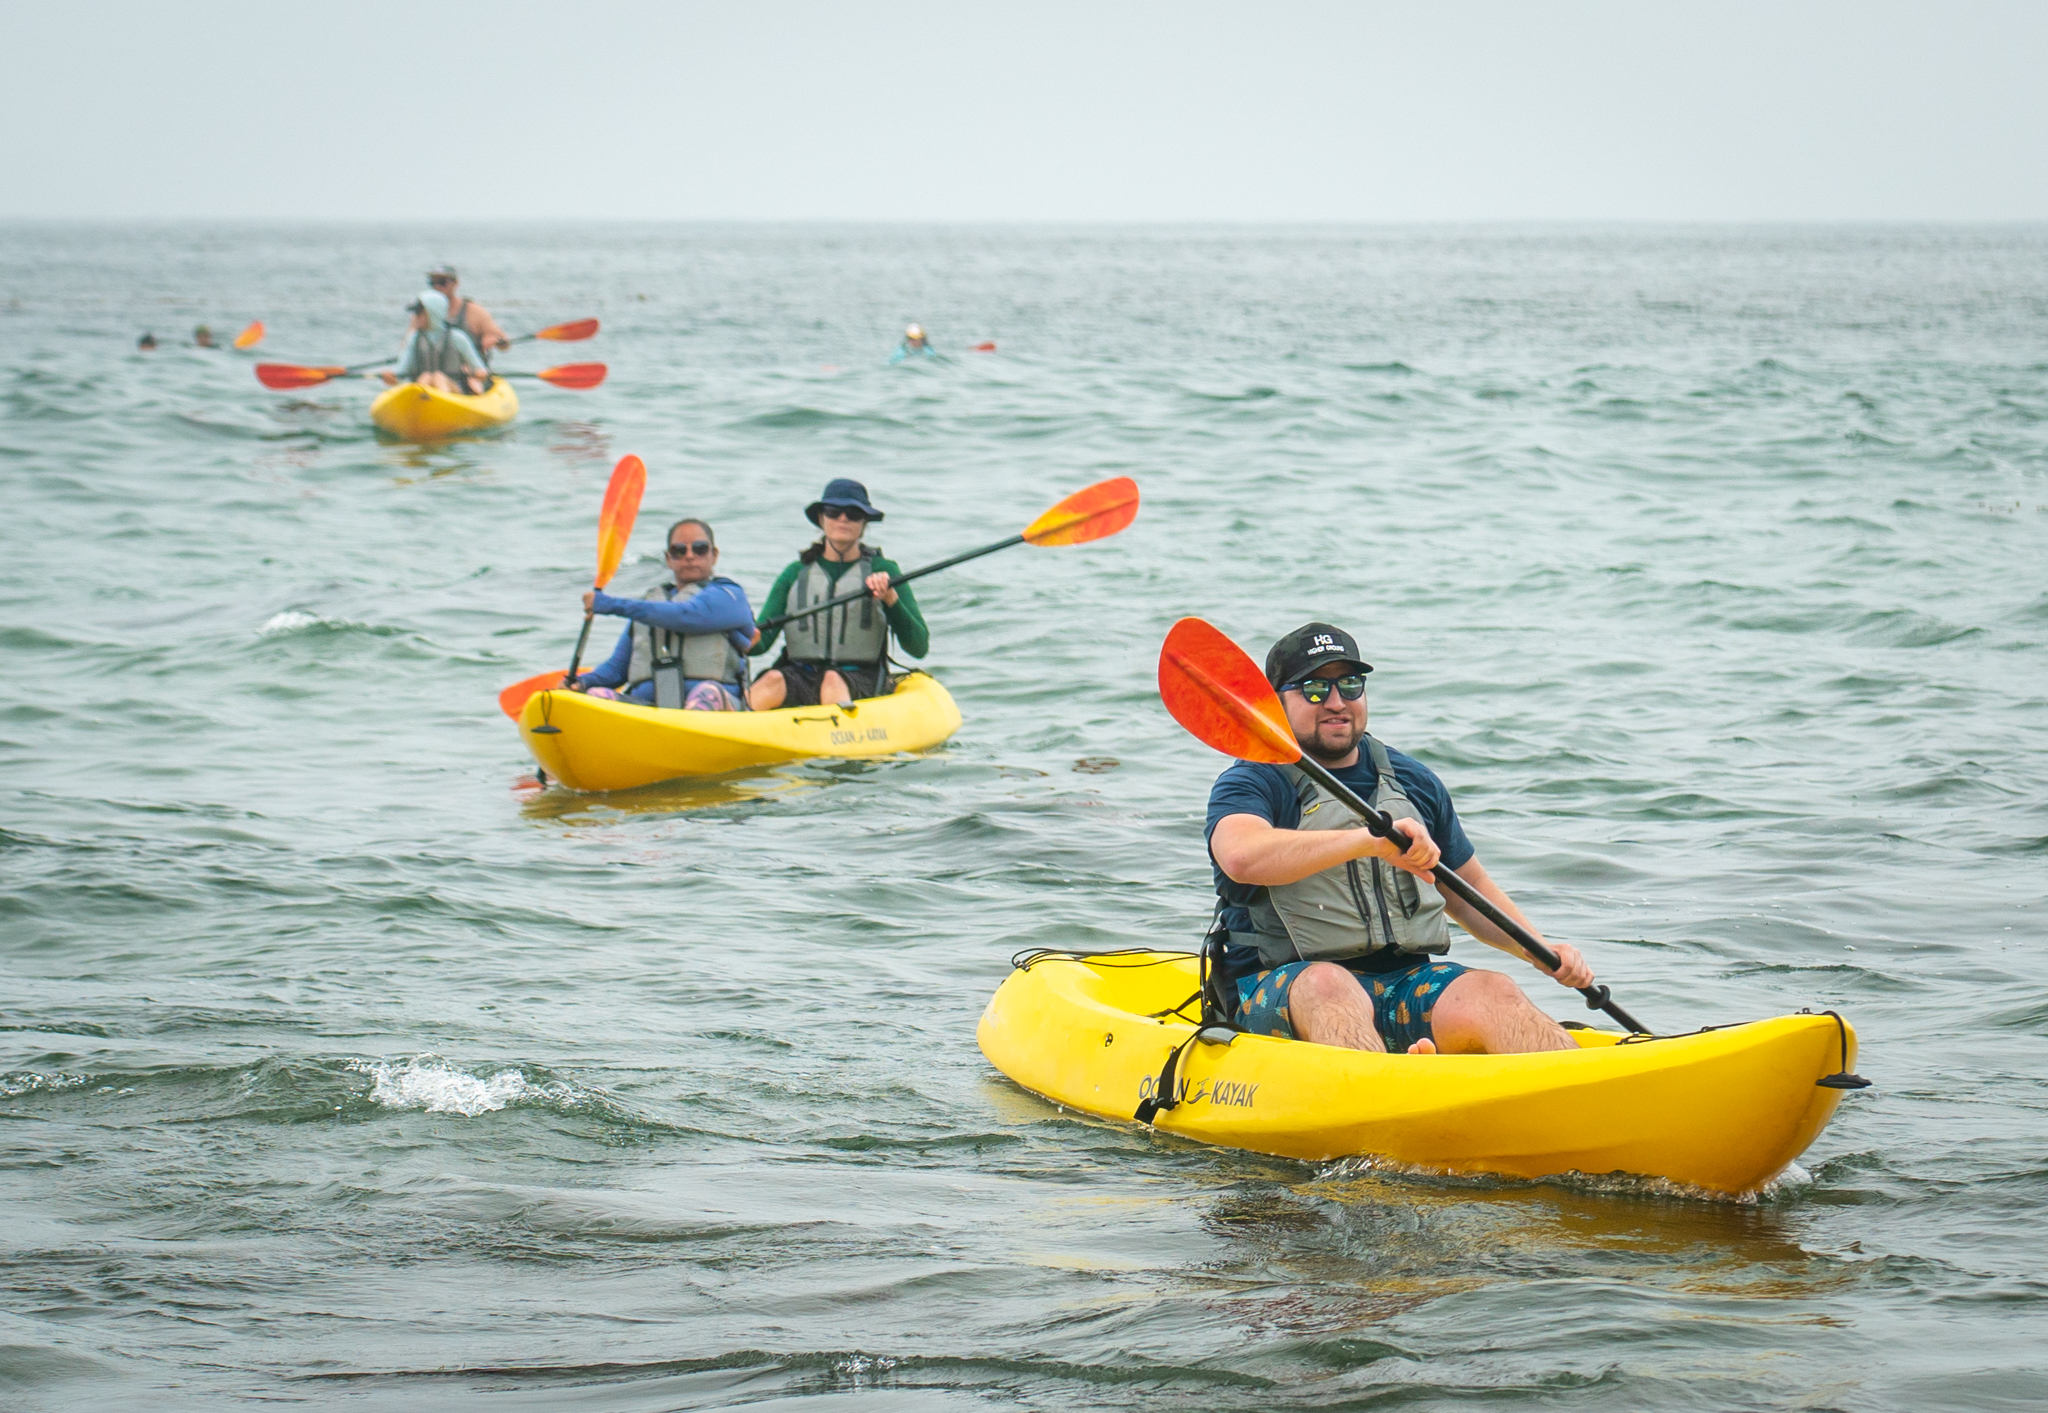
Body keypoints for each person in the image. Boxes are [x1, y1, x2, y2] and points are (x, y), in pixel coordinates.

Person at [1205, 622, 1597, 1057]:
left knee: (1494, 990)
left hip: (1402, 986)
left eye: (1350, 685)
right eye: (1315, 688)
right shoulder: (1252, 780)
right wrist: (1368, 841)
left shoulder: (1411, 780)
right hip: (1280, 989)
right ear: (1277, 701)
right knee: (1328, 983)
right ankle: (1392, 1086)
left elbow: (1469, 893)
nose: (1336, 702)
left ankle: (1584, 1091)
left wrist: (1539, 951)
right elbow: (1241, 856)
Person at [747, 479, 929, 709]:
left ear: (864, 523)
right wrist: (746, 640)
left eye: (853, 513)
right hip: (801, 675)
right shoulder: (794, 573)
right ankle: (726, 729)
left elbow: (919, 647)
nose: (843, 519)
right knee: (772, 678)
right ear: (822, 519)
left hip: (861, 678)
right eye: (834, 512)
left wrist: (891, 600)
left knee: (832, 679)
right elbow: (760, 645)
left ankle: (837, 736)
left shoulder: (885, 571)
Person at [571, 518, 756, 710]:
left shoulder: (730, 596)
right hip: (651, 710)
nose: (690, 556)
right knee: (595, 696)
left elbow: (686, 616)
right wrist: (580, 683)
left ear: (714, 555)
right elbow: (617, 668)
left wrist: (608, 604)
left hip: (714, 705)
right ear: (669, 559)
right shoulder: (650, 605)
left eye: (700, 548)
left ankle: (688, 734)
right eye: (679, 550)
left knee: (706, 693)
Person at [380, 290, 491, 396]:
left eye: (420, 313)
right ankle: (424, 405)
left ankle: (441, 406)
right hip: (422, 385)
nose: (416, 317)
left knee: (438, 377)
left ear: (433, 313)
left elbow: (478, 368)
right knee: (426, 377)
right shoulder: (414, 338)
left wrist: (480, 374)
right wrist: (392, 376)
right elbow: (402, 370)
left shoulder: (457, 337)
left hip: (453, 390)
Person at [427, 265, 510, 359]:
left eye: (442, 282)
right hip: (433, 372)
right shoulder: (422, 313)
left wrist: (494, 340)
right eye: (432, 283)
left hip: (471, 371)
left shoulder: (474, 311)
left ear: (455, 283)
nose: (437, 287)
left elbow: (504, 344)